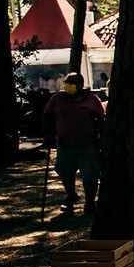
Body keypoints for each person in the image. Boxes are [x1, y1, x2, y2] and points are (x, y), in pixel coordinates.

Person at [41, 72, 104, 214]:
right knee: (65, 172)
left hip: (87, 144)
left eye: (72, 82)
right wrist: (48, 135)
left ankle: (90, 202)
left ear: (81, 85)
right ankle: (71, 196)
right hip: (64, 143)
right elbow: (47, 117)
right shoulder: (56, 99)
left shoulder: (92, 100)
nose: (68, 85)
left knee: (90, 175)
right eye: (67, 82)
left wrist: (102, 140)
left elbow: (101, 120)